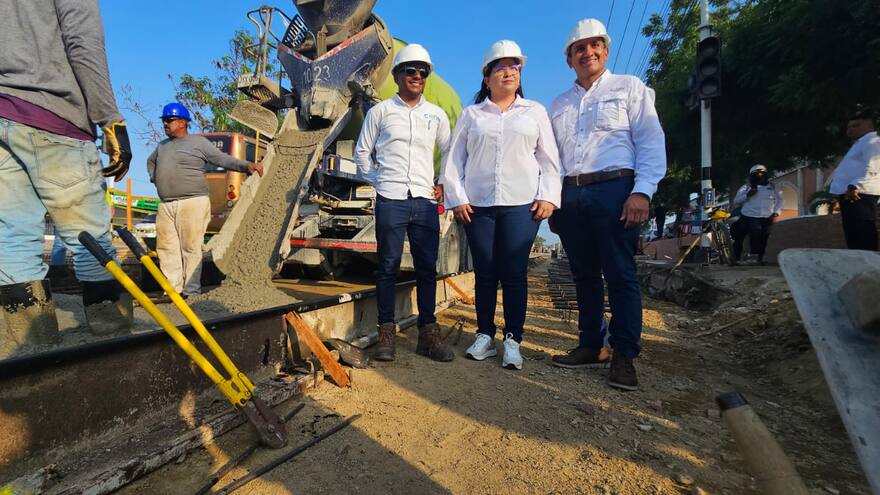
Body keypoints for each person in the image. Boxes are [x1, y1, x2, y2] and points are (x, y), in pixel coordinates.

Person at [0, 0, 134, 355]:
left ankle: (32, 346)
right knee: (88, 236)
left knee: (12, 235)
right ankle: (114, 339)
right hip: (53, 117)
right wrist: (110, 119)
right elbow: (83, 41)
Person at [548, 19, 666, 390]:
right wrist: (554, 201)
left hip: (616, 188)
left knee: (619, 273)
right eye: (579, 49)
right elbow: (550, 158)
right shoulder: (559, 105)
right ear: (569, 59)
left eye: (594, 45)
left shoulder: (629, 89)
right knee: (582, 274)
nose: (588, 53)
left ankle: (624, 354)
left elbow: (649, 141)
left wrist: (642, 191)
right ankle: (591, 345)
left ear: (605, 50)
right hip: (571, 193)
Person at [441, 40, 561, 371]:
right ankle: (484, 335)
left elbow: (549, 160)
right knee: (485, 272)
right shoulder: (472, 115)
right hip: (478, 207)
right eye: (500, 67)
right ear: (487, 77)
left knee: (514, 273)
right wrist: (458, 198)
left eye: (514, 66)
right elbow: (453, 161)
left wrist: (549, 196)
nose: (508, 72)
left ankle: (513, 340)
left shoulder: (534, 112)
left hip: (521, 206)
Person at [354, 44, 455, 363]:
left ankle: (427, 332)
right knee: (387, 267)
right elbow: (361, 153)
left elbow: (450, 152)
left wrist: (442, 182)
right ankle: (386, 331)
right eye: (410, 70)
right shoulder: (380, 112)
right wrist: (378, 181)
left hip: (424, 202)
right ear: (397, 75)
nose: (417, 76)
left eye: (422, 72)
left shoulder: (436, 115)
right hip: (391, 200)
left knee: (427, 268)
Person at [147, 103, 263, 296]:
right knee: (167, 248)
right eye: (164, 121)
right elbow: (150, 162)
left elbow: (222, 159)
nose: (165, 124)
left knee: (190, 247)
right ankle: (173, 290)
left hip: (192, 202)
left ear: (183, 122)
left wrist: (246, 166)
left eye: (169, 120)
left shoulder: (197, 143)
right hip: (167, 204)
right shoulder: (162, 146)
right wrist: (155, 177)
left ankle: (191, 291)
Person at [829, 105, 880, 251]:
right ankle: (857, 263)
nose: (850, 129)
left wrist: (854, 186)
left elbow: (873, 166)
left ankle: (868, 264)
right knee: (853, 231)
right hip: (851, 192)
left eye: (856, 125)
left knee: (863, 229)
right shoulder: (860, 143)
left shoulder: (872, 141)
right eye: (849, 127)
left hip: (859, 193)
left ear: (869, 125)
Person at [730, 164, 783, 265]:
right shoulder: (746, 187)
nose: (760, 175)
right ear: (752, 175)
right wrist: (747, 195)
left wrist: (776, 212)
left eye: (762, 173)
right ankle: (742, 258)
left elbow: (780, 200)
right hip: (749, 216)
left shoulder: (773, 187)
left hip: (767, 217)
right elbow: (736, 201)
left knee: (764, 238)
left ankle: (759, 259)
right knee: (754, 235)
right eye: (757, 174)